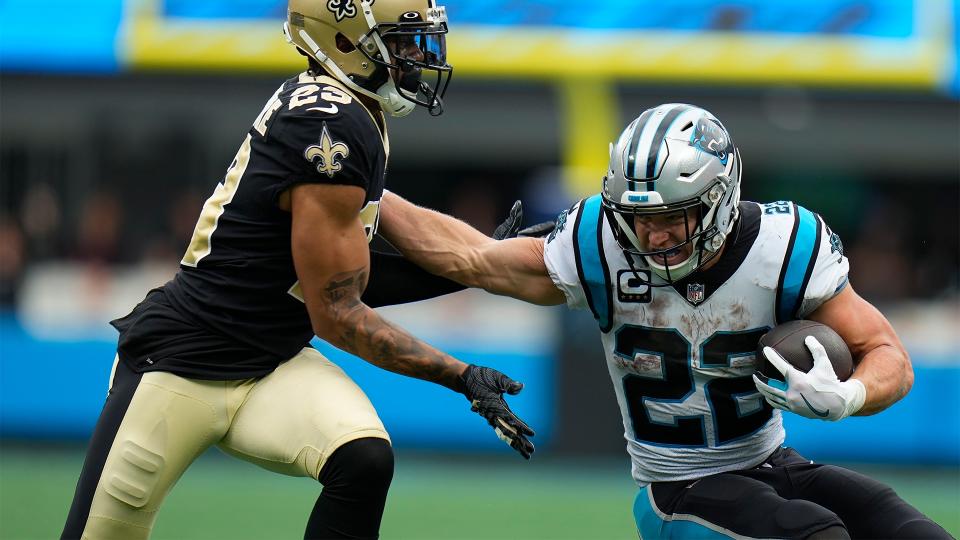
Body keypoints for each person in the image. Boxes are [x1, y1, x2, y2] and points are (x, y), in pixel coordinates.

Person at [60, 1, 535, 538]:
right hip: (182, 364)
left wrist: (481, 259)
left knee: (363, 459)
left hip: (272, 361)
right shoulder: (326, 124)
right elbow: (337, 309)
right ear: (344, 41)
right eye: (401, 42)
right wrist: (461, 375)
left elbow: (367, 250)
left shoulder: (348, 108)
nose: (416, 57)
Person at [375, 103, 952, 539]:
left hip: (772, 463)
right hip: (679, 490)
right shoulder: (598, 245)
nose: (654, 236)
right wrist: (364, 182)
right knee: (817, 536)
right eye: (639, 218)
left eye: (674, 216)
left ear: (722, 197)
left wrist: (848, 395)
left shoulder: (782, 246)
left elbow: (889, 357)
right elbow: (469, 256)